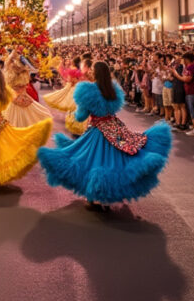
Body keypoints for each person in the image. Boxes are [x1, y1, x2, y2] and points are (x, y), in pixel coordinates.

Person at [37, 61, 172, 211]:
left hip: (97, 131)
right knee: (116, 161)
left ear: (94, 73)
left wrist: (75, 114)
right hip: (116, 129)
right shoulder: (113, 89)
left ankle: (94, 198)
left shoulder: (88, 91)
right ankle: (108, 196)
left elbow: (81, 116)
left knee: (93, 161)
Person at [2, 51, 53, 128]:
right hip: (21, 98)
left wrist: (12, 56)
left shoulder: (10, 73)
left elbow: (7, 65)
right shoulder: (23, 74)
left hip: (15, 99)